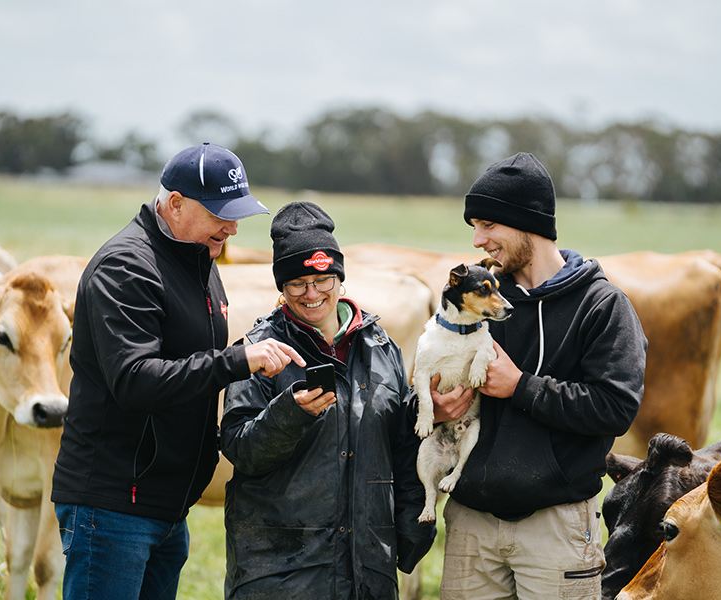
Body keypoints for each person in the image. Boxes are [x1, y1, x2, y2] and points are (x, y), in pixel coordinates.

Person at [51, 143, 305, 600]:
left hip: (166, 505)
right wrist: (238, 359)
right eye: (220, 214)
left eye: (238, 214)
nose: (231, 227)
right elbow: (134, 378)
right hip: (114, 506)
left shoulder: (198, 259)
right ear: (174, 204)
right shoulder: (126, 266)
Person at [432, 152, 647, 600]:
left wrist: (521, 386)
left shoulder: (602, 306)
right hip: (472, 524)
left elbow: (615, 409)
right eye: (474, 226)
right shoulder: (477, 300)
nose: (477, 241)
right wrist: (437, 406)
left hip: (558, 527)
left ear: (526, 222)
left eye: (488, 225)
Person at [220, 201, 435, 600]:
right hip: (280, 576)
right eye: (298, 282)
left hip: (366, 574)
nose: (312, 292)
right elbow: (240, 449)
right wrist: (290, 414)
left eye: (323, 278)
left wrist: (409, 533)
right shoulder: (256, 350)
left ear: (340, 278)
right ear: (281, 290)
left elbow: (404, 447)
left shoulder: (381, 347)